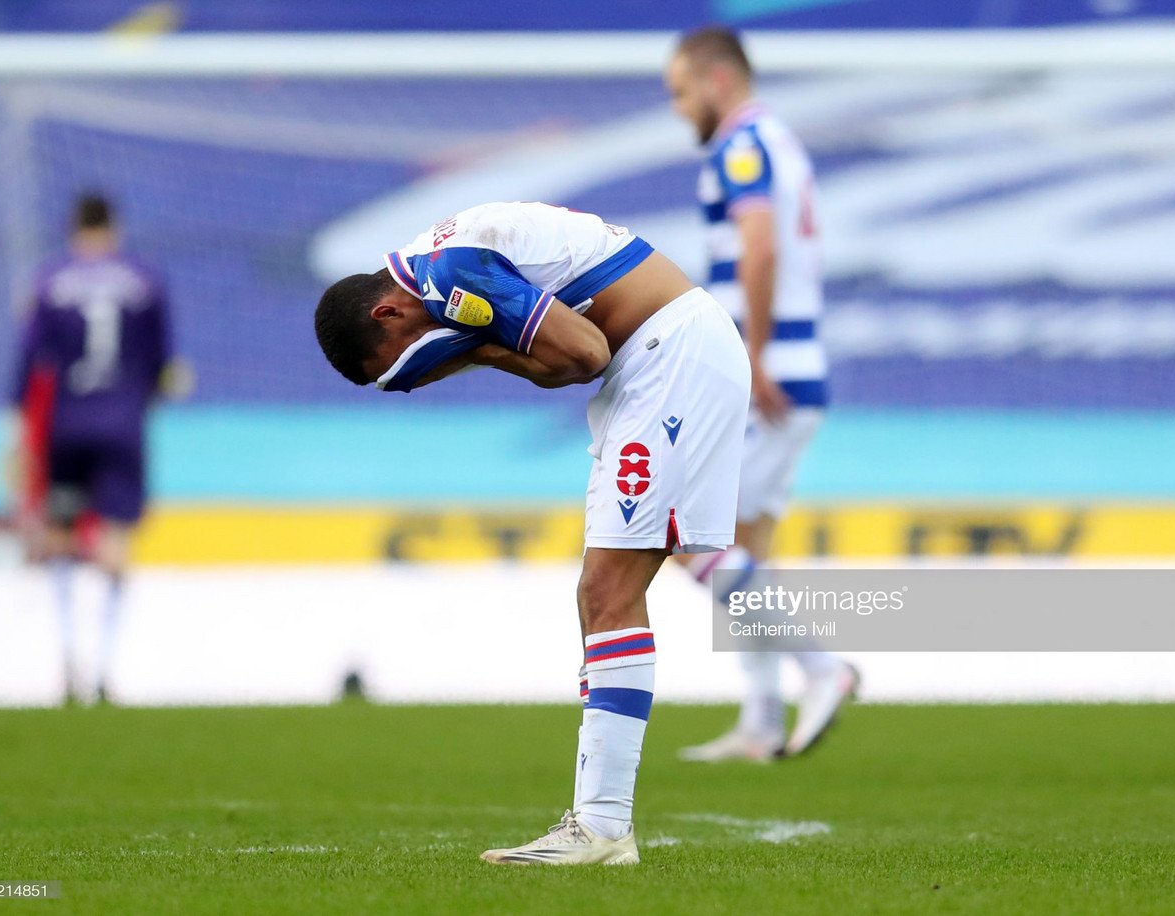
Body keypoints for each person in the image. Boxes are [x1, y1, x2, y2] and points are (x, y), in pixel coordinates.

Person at [314, 201, 750, 864]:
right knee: (601, 594)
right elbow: (564, 364)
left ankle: (603, 828)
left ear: (387, 313)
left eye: (405, 363)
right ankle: (601, 824)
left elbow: (583, 352)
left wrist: (479, 350)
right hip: (659, 360)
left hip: (667, 359)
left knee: (606, 593)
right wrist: (491, 351)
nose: (423, 372)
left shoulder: (450, 278)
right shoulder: (439, 270)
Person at [665, 27, 858, 761]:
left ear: (717, 80)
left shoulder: (743, 146)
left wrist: (752, 352)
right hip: (791, 361)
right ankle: (762, 718)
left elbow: (762, 243)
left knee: (682, 529)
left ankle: (820, 667)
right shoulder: (779, 139)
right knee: (746, 548)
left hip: (766, 367)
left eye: (682, 92)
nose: (680, 110)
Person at [11, 193, 182, 704]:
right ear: (115, 227)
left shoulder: (49, 281)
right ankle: (107, 668)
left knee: (61, 537)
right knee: (113, 544)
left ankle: (70, 661)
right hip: (123, 425)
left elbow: (28, 364)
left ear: (73, 228)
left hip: (67, 427)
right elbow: (162, 365)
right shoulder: (146, 280)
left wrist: (17, 435)